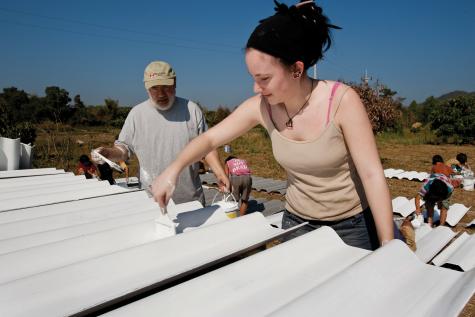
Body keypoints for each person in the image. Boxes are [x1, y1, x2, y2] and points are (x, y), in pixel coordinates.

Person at [151, 0, 394, 250]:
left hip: (351, 226)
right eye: (253, 78)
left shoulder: (342, 101)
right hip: (296, 222)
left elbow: (372, 174)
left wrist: (388, 242)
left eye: (264, 79)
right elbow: (209, 140)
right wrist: (173, 170)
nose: (256, 88)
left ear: (297, 69)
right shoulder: (262, 107)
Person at [93, 61, 228, 205]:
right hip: (151, 200)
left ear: (175, 83)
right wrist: (108, 153)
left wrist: (220, 173)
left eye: (166, 87)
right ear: (146, 88)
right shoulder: (137, 114)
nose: (161, 94)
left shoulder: (191, 110)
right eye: (155, 88)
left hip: (190, 200)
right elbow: (124, 149)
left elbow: (207, 147)